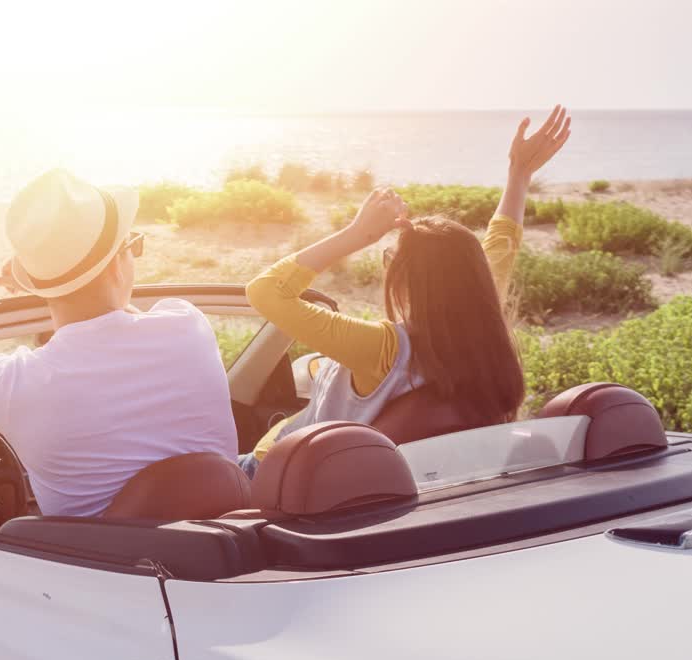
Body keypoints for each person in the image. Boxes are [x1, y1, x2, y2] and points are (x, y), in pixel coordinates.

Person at [241, 106, 573, 474]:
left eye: (390, 259)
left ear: (407, 278)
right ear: (472, 276)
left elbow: (265, 292)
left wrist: (357, 234)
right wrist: (519, 175)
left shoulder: (381, 349)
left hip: (274, 476)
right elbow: (501, 243)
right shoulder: (479, 329)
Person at [0, 169, 238, 517]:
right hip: (227, 548)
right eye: (132, 246)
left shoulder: (19, 387)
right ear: (116, 268)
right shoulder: (188, 328)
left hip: (104, 569)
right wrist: (53, 286)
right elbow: (118, 320)